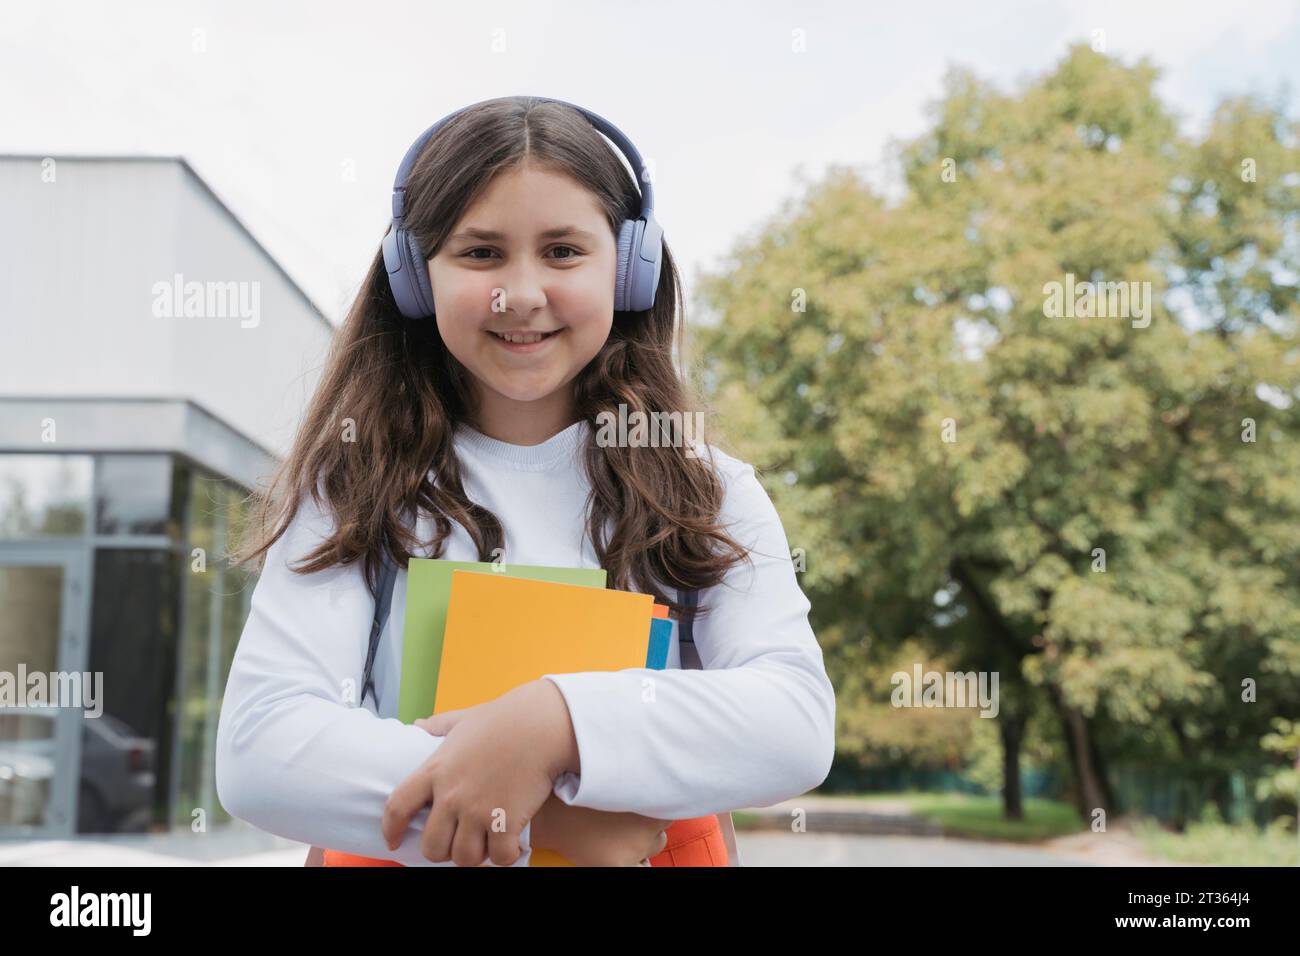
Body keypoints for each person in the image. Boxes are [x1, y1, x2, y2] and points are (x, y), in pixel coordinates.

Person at [214, 96, 836, 867]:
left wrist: (557, 722)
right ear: (414, 278)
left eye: (564, 252)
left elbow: (794, 723)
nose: (521, 293)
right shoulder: (354, 488)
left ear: (629, 268)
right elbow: (261, 749)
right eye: (480, 254)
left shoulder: (709, 490)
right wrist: (540, 817)